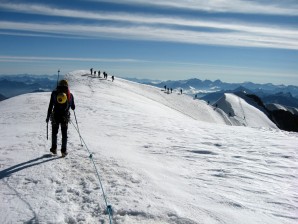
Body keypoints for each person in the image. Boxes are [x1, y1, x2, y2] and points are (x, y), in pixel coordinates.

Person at [46, 79, 75, 157]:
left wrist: (48, 116)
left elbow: (50, 106)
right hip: (64, 117)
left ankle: (54, 148)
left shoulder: (54, 94)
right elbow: (73, 107)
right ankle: (63, 151)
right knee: (64, 134)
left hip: (55, 116)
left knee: (54, 133)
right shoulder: (70, 95)